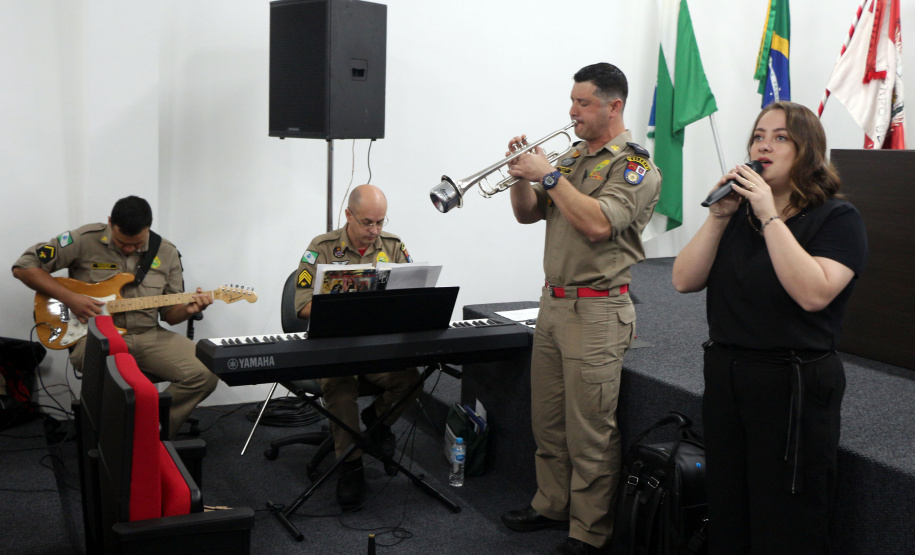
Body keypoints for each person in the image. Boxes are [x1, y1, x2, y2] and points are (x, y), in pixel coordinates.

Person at [671, 101, 868, 553]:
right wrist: (719, 217)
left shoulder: (837, 219)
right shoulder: (736, 214)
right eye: (759, 136)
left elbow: (814, 293)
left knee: (787, 515)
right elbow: (683, 280)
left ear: (809, 151)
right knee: (729, 507)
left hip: (793, 381)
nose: (765, 145)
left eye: (781, 137)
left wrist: (769, 215)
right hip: (727, 375)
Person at [499, 63, 662, 555]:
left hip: (598, 312)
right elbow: (529, 214)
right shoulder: (572, 159)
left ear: (614, 106)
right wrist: (520, 176)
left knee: (590, 430)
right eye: (572, 101)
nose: (572, 112)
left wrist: (546, 173)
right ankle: (551, 503)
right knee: (547, 420)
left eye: (583, 103)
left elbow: (597, 224)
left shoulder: (635, 168)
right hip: (553, 303)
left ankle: (589, 532)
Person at [12, 195, 219, 439]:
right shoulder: (83, 240)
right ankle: (112, 443)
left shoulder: (167, 252)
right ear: (110, 223)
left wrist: (189, 309)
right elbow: (24, 267)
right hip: (97, 335)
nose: (129, 249)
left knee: (205, 372)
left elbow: (170, 316)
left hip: (148, 334)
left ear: (148, 228)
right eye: (122, 243)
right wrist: (70, 299)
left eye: (137, 243)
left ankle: (149, 435)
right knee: (115, 380)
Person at [294, 183, 420, 511]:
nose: (374, 230)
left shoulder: (392, 246)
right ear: (348, 215)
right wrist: (342, 303)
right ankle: (350, 466)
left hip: (376, 347)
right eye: (367, 222)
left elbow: (413, 295)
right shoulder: (320, 249)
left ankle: (377, 421)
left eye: (380, 222)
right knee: (340, 390)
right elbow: (302, 306)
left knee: (409, 379)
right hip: (333, 348)